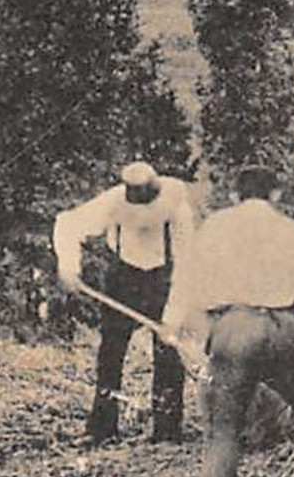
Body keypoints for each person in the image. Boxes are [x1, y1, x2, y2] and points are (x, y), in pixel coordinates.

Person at [161, 166, 294, 477]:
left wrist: (178, 326)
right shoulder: (291, 230)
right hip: (282, 326)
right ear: (275, 194)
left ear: (235, 195)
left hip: (233, 326)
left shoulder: (215, 227)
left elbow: (189, 280)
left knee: (224, 426)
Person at [54, 161, 196, 443]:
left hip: (162, 282)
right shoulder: (113, 202)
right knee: (111, 353)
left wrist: (173, 316)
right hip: (123, 279)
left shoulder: (178, 210)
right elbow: (67, 223)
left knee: (168, 353)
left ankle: (166, 430)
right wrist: (69, 265)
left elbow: (187, 268)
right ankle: (102, 428)